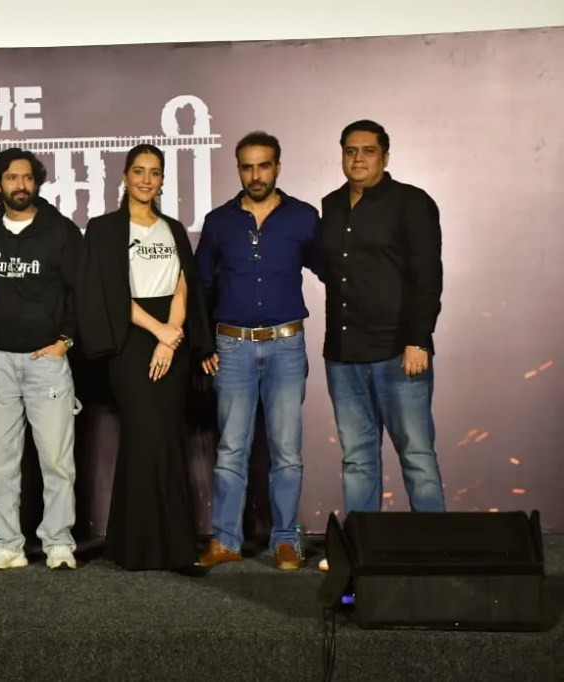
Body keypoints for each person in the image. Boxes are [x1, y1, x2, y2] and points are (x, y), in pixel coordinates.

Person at [77, 144, 213, 571]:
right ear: (125, 176)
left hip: (172, 337)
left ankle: (176, 548)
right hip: (129, 339)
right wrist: (158, 332)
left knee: (168, 435)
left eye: (154, 173)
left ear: (162, 181)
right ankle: (133, 547)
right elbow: (108, 291)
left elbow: (183, 284)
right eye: (139, 171)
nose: (146, 180)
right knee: (142, 434)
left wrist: (171, 337)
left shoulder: (173, 229)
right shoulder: (103, 229)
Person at [195, 131, 322, 571]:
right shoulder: (219, 222)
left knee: (287, 450)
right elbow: (200, 285)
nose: (255, 175)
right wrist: (202, 343)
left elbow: (337, 271)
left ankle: (286, 540)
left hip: (287, 344)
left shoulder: (303, 217)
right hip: (232, 346)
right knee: (231, 448)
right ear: (238, 170)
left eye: (263, 165)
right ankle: (226, 539)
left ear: (277, 167)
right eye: (247, 167)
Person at [320, 119, 445, 520]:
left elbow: (427, 276)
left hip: (399, 352)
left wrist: (419, 340)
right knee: (357, 459)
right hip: (343, 355)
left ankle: (435, 546)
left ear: (385, 157)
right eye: (350, 151)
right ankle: (363, 546)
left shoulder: (412, 202)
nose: (358, 159)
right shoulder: (331, 205)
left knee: (417, 454)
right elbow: (331, 270)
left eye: (368, 151)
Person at [0, 148, 83, 570]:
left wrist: (65, 341)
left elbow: (80, 292)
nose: (20, 185)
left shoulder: (61, 231)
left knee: (56, 460)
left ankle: (59, 543)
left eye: (26, 177)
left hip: (46, 361)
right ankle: (7, 544)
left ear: (36, 182)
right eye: (10, 178)